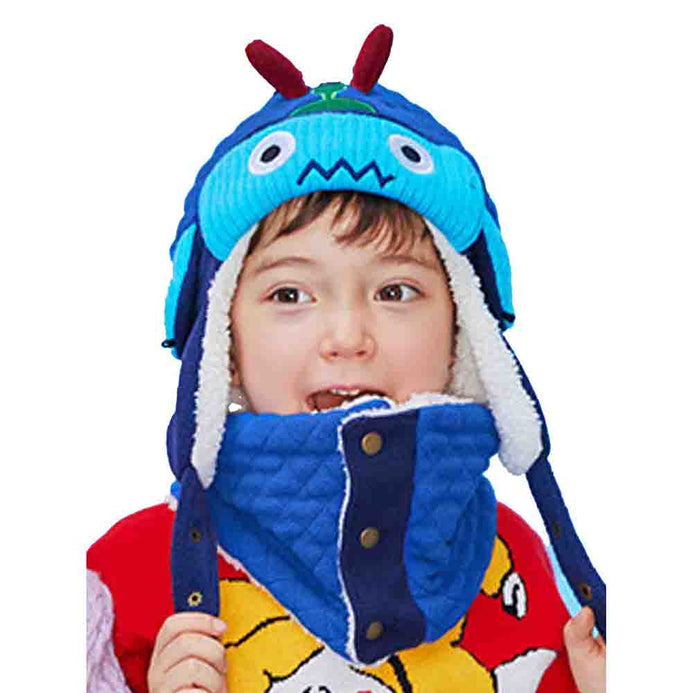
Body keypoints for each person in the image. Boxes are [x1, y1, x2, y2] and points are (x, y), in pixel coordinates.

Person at [87, 25, 606, 693]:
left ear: (464, 335)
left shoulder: (531, 569)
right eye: (289, 294)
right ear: (222, 349)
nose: (347, 336)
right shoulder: (124, 583)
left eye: (395, 291)